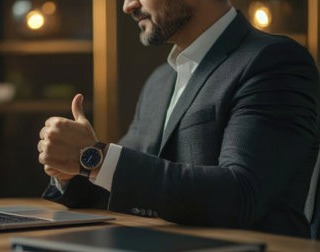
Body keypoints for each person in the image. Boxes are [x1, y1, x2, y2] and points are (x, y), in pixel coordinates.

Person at [37, 0, 319, 238]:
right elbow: (123, 182)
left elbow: (241, 194)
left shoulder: (274, 61)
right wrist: (74, 170)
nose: (128, 6)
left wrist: (95, 158)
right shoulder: (159, 81)